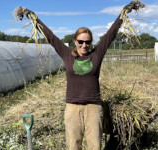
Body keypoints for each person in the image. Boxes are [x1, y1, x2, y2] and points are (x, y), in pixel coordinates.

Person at [23, 2, 137, 150]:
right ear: (75, 41)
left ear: (91, 42)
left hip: (93, 108)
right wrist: (35, 19)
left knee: (94, 146)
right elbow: (51, 37)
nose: (84, 45)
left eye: (87, 42)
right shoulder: (67, 54)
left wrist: (123, 14)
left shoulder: (96, 55)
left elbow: (110, 35)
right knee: (73, 146)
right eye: (81, 41)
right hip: (72, 109)